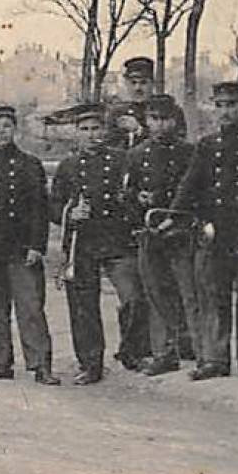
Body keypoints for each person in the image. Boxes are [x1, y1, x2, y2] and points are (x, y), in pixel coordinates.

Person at [172, 80, 238, 380]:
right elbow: (190, 187)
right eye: (220, 105)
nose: (225, 112)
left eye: (231, 105)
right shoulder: (206, 145)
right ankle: (215, 358)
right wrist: (179, 217)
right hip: (215, 230)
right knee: (213, 294)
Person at [50, 102, 148, 385]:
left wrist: (129, 204)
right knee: (83, 306)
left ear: (104, 131)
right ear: (76, 133)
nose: (91, 135)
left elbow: (132, 196)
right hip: (82, 244)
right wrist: (71, 212)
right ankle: (91, 363)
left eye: (95, 129)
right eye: (84, 130)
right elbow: (53, 208)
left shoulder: (122, 160)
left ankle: (131, 351)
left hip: (117, 240)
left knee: (133, 296)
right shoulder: (68, 167)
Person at [0, 105, 58, 385]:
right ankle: (0, 362)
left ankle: (40, 364)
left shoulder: (29, 165)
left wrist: (36, 245)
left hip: (21, 249)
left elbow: (39, 209)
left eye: (7, 126)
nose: (2, 132)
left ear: (15, 130)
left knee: (30, 307)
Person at [126, 93, 200, 375]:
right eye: (154, 119)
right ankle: (165, 352)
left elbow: (195, 191)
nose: (160, 126)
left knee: (188, 292)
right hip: (150, 232)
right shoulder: (136, 155)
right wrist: (138, 199)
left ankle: (199, 349)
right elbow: (127, 194)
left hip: (180, 232)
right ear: (146, 122)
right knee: (156, 293)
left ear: (174, 120)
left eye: (165, 119)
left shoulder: (189, 152)